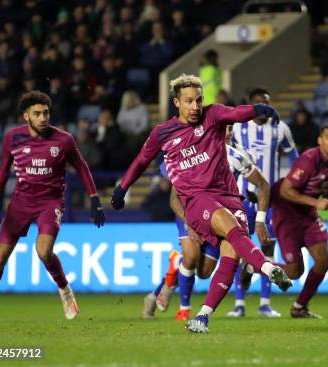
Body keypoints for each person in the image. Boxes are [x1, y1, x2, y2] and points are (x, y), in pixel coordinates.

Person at [111, 74, 291, 333]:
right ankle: (267, 267)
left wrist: (256, 110)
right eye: (189, 101)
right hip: (197, 199)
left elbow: (236, 113)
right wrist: (122, 188)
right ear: (177, 102)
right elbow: (141, 161)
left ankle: (202, 317)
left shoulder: (213, 115)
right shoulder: (162, 133)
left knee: (223, 260)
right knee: (227, 235)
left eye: (198, 100)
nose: (195, 106)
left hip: (230, 196)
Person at [0, 91, 105, 322]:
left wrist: (94, 198)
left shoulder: (63, 140)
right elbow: (4, 167)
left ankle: (65, 291)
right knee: (0, 257)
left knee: (43, 251)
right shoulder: (13, 138)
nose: (43, 117)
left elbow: (82, 167)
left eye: (46, 113)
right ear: (26, 116)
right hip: (21, 201)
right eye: (37, 113)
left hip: (50, 201)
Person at [144, 125, 272, 321]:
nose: (226, 132)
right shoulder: (191, 153)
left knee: (204, 272)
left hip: (220, 215)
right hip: (188, 212)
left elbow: (262, 184)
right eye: (224, 128)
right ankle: (184, 310)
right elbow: (174, 199)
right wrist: (190, 223)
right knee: (192, 255)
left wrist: (256, 211)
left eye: (229, 129)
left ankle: (175, 265)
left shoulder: (237, 157)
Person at [227, 87, 298, 318]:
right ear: (251, 104)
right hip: (242, 197)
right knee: (239, 249)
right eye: (258, 102)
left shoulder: (280, 128)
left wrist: (291, 186)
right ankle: (239, 303)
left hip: (269, 201)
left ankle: (265, 303)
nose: (263, 107)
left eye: (266, 102)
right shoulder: (237, 127)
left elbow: (295, 160)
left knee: (267, 248)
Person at [270, 123, 328, 318]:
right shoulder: (308, 160)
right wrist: (316, 202)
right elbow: (285, 191)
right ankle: (254, 266)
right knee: (294, 271)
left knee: (324, 261)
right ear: (320, 141)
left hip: (307, 215)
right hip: (287, 214)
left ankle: (299, 308)